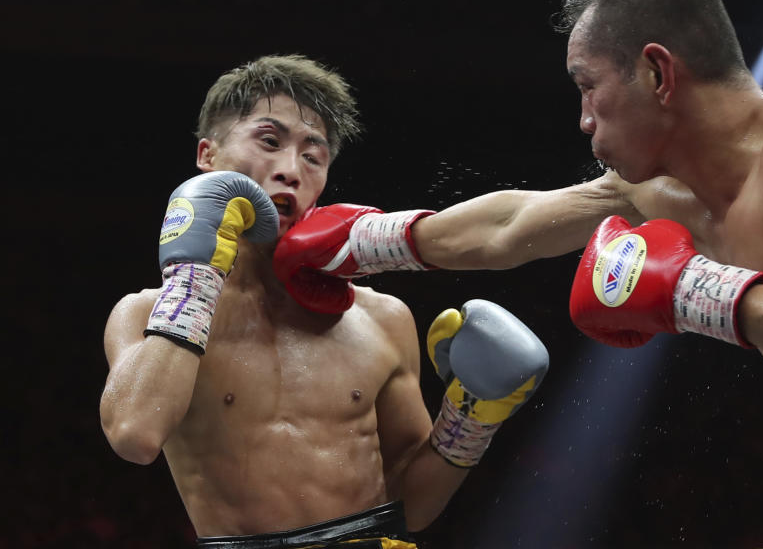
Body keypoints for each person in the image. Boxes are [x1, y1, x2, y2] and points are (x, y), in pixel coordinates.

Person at [274, 0, 763, 548]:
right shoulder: (660, 189)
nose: (581, 119)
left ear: (658, 73)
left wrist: (688, 291)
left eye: (587, 86)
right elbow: (509, 227)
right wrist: (362, 240)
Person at [99, 54, 549, 548]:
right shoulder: (145, 313)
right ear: (208, 154)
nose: (290, 169)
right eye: (269, 142)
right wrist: (191, 281)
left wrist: (469, 422)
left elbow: (412, 508)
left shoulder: (381, 318)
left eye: (313, 156)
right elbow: (134, 434)